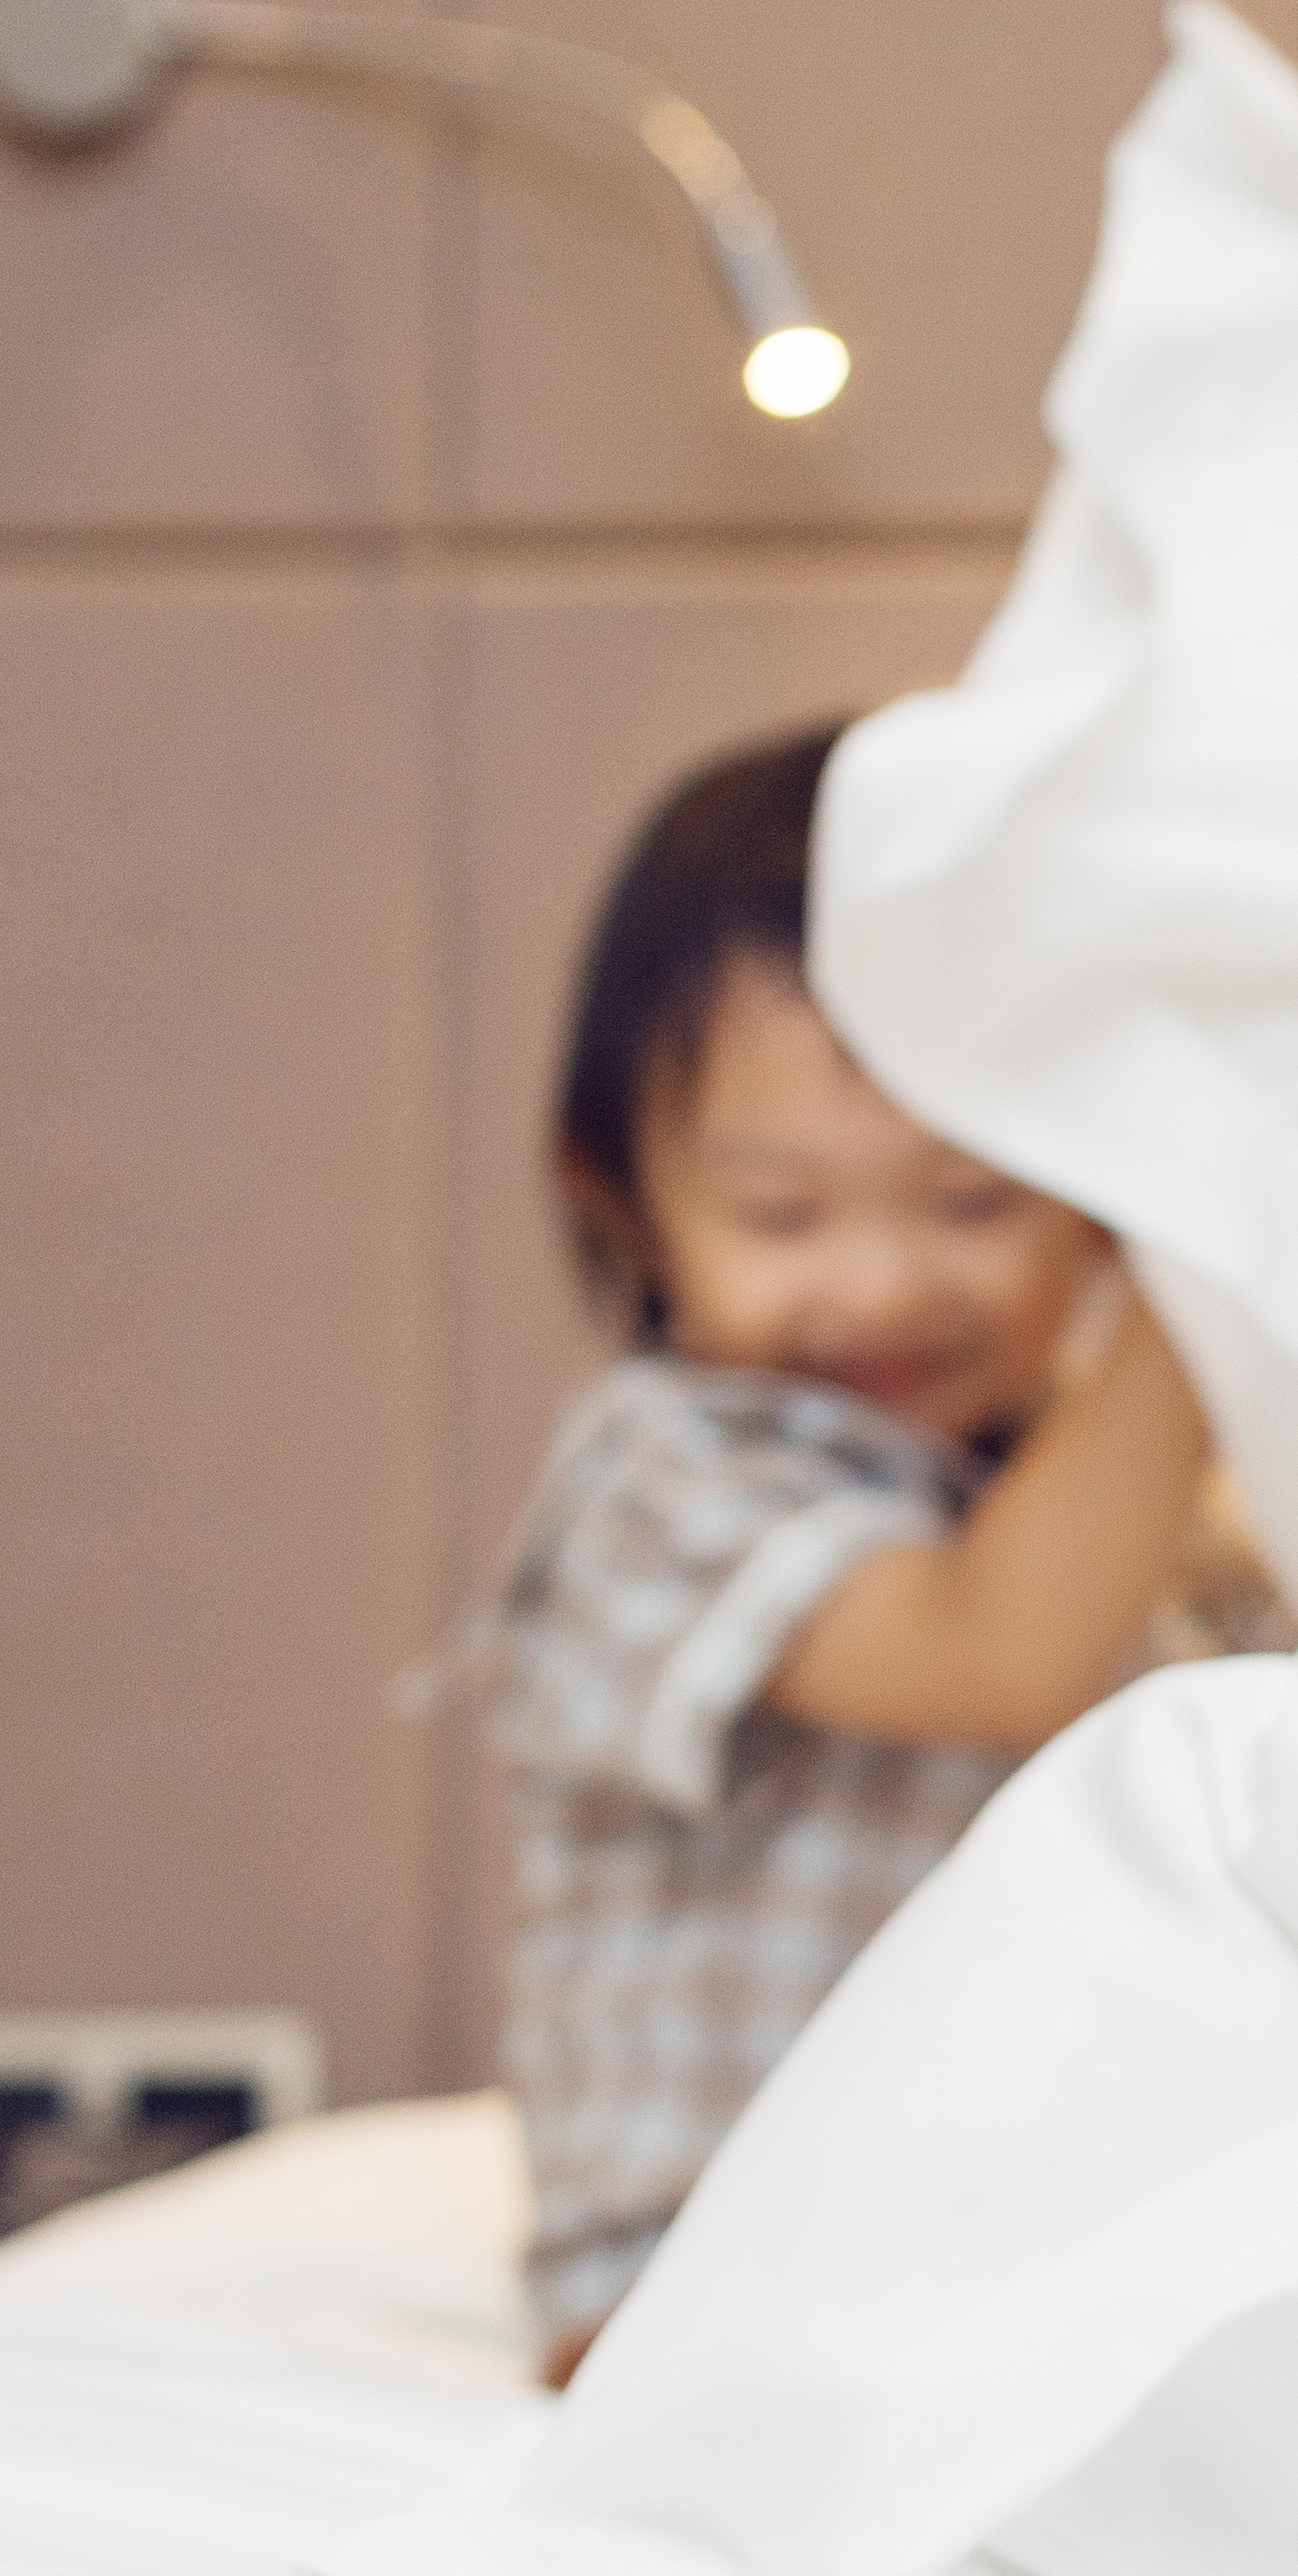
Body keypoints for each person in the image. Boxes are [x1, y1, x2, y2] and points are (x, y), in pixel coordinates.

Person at [461, 723, 1221, 2382]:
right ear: (621, 1199)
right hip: (688, 2275)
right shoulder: (656, 1479)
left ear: (1084, 1193)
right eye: (782, 1216)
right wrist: (1222, 1250)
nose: (879, 1289)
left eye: (968, 1205)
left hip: (987, 2235)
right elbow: (994, 1659)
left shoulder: (1062, 1500)